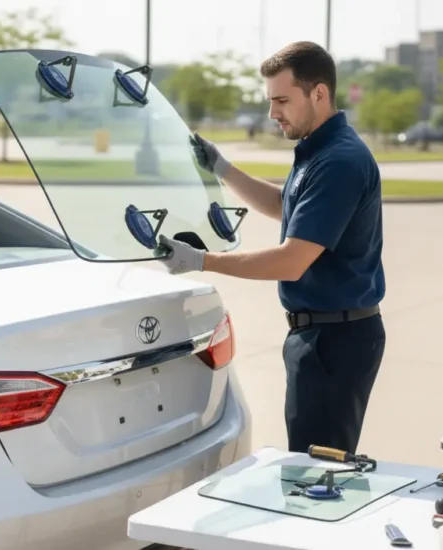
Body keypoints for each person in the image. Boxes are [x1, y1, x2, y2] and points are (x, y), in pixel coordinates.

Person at [156, 41, 386, 455]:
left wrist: (201, 261)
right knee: (310, 460)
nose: (272, 113)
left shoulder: (339, 161)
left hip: (336, 341)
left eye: (281, 100)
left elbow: (292, 261)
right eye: (269, 100)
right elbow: (286, 205)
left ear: (319, 93)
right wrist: (222, 168)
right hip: (321, 335)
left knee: (319, 472)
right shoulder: (319, 150)